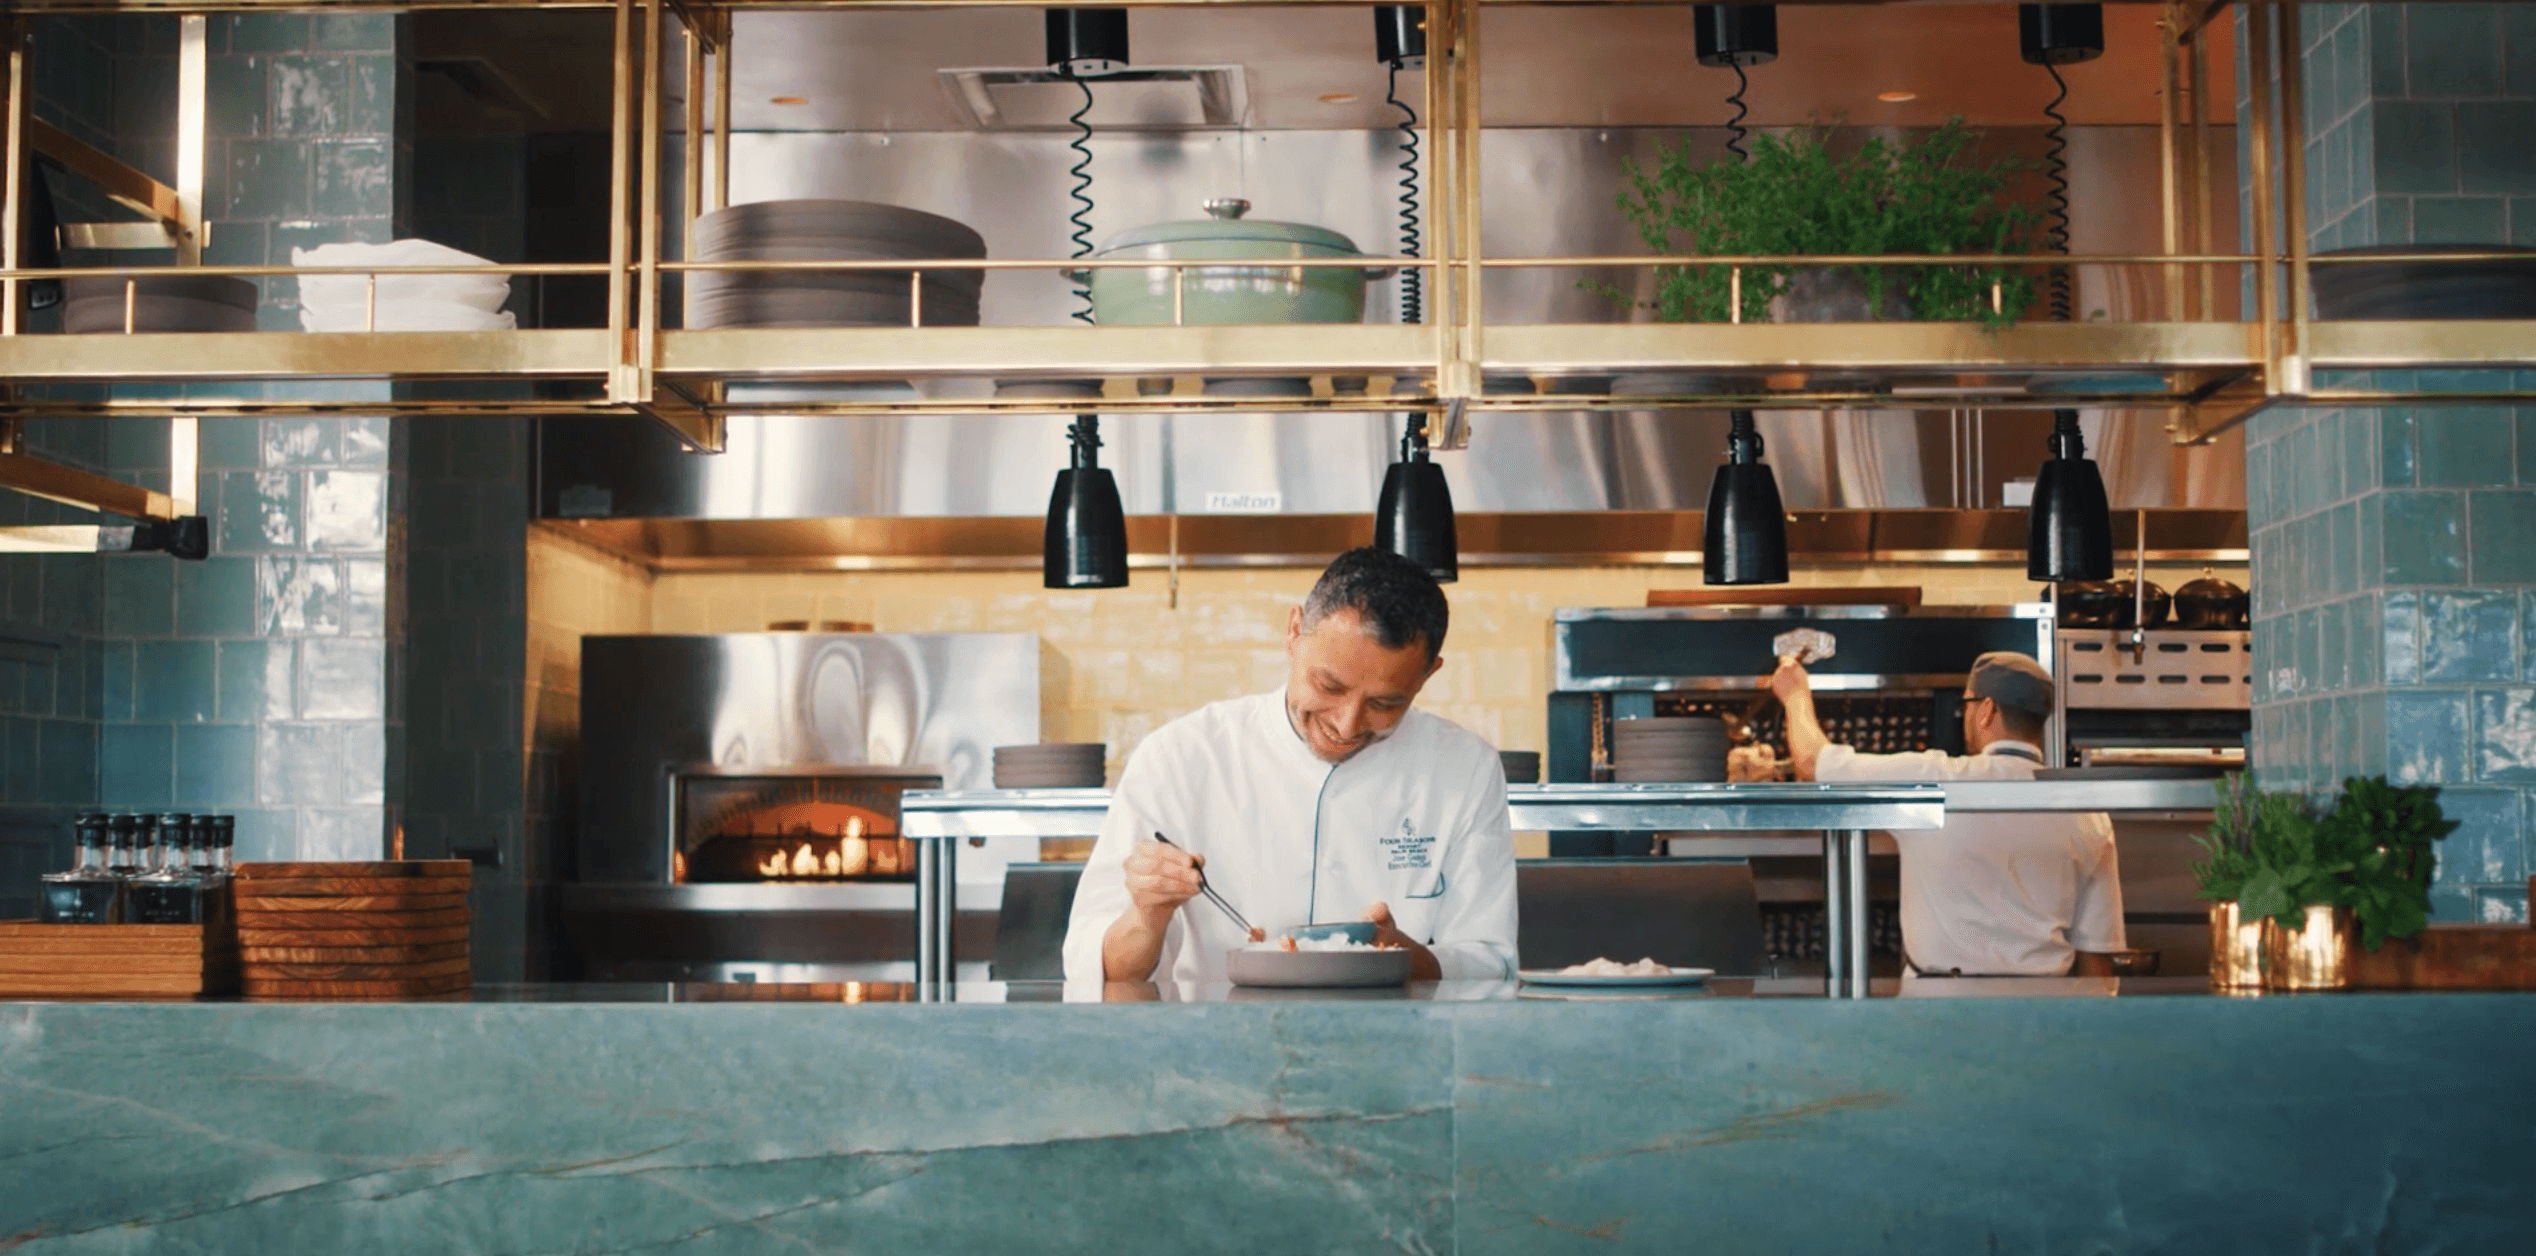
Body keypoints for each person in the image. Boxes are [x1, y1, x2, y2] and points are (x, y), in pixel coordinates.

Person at [1061, 548, 1518, 986]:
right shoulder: (1179, 758)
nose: (1347, 724)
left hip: (1393, 1037)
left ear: (1427, 675)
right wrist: (1148, 914)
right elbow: (1099, 969)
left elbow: (1491, 963)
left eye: (1384, 704)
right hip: (1212, 1035)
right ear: (1295, 632)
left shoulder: (1466, 770)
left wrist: (1404, 957)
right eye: (1329, 686)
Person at [1770, 650, 2125, 977]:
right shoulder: (2086, 812)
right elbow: (2096, 959)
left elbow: (1811, 764)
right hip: (2043, 1006)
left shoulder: (1934, 781)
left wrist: (1795, 694)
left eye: (1967, 704)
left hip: (1939, 1004)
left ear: (1986, 711)